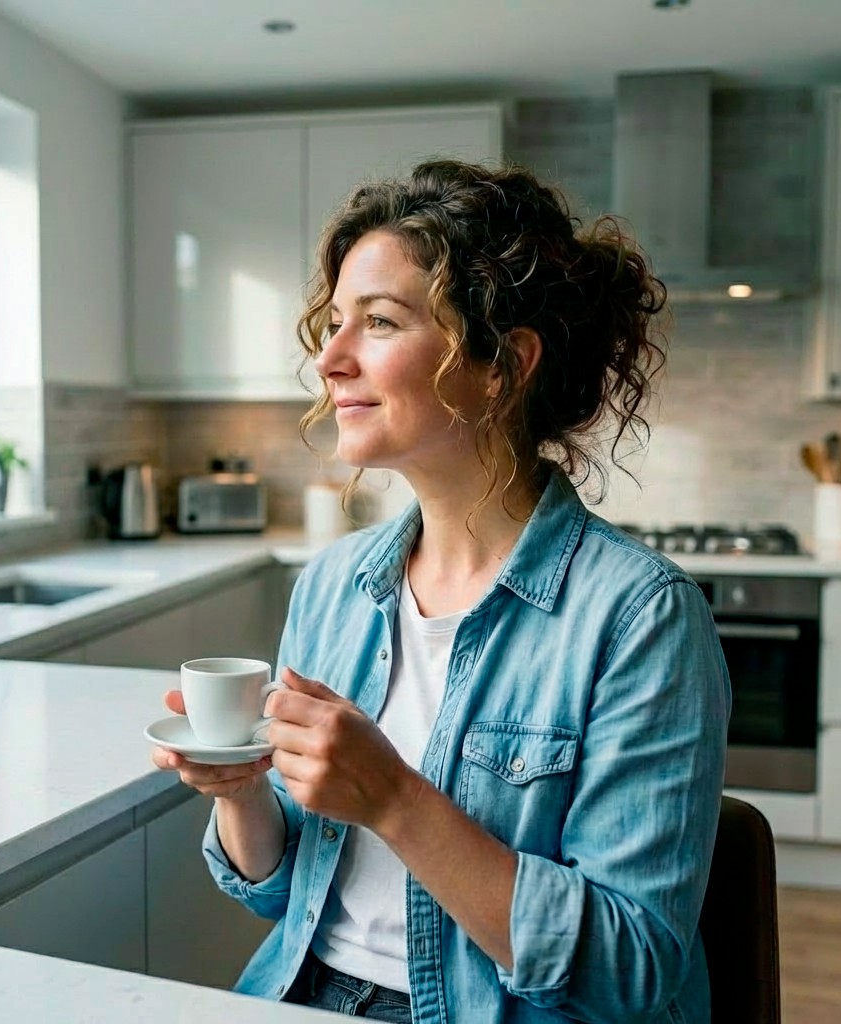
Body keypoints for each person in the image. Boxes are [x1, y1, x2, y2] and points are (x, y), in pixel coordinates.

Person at [152, 160, 731, 1024]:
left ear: (505, 365)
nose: (331, 359)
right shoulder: (333, 586)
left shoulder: (639, 620)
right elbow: (281, 895)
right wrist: (240, 789)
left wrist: (393, 798)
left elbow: (631, 972)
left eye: (379, 322)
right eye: (335, 322)